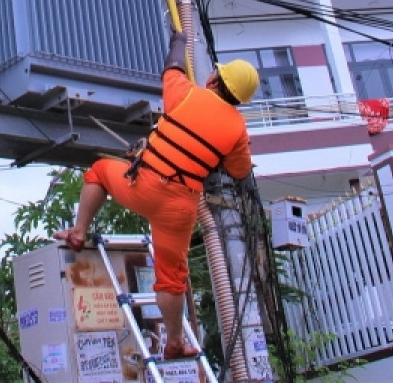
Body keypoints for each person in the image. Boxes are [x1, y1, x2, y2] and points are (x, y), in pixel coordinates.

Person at [53, 30, 259, 360]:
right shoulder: (237, 129)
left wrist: (179, 41)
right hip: (178, 209)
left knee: (99, 171)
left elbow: (172, 67)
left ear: (215, 79)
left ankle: (78, 233)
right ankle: (174, 341)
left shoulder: (188, 94)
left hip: (143, 185)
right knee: (172, 280)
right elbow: (239, 172)